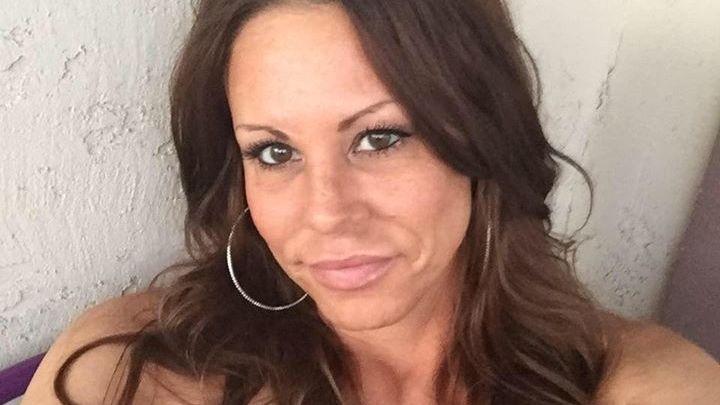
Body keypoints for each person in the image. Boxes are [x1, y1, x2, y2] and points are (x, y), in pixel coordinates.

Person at [23, 0, 720, 404]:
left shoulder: (633, 383)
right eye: (274, 152)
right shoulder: (129, 372)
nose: (326, 212)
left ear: (482, 136)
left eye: (380, 138)